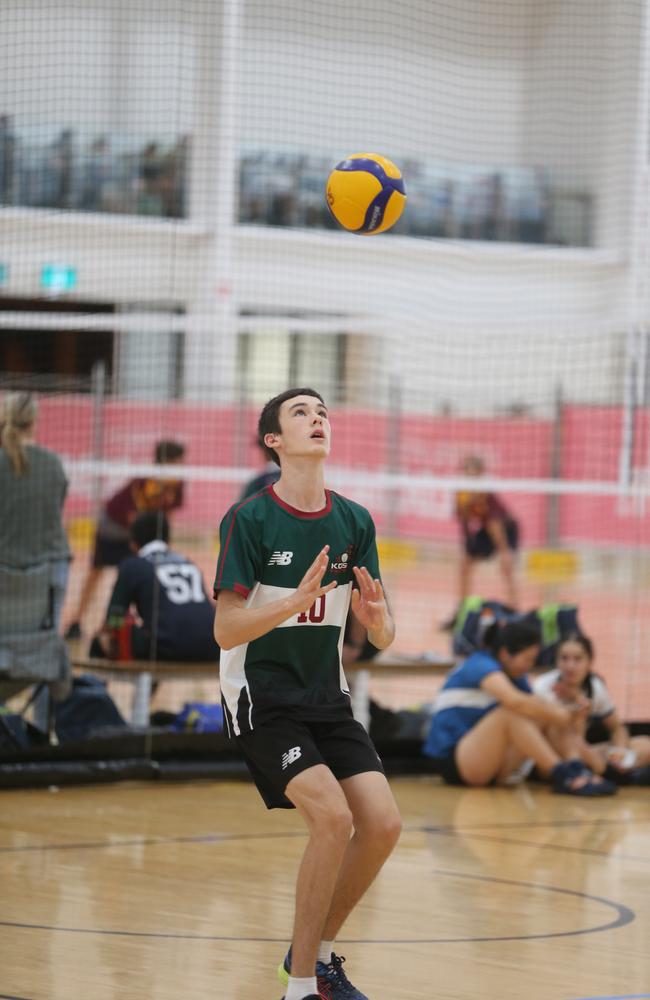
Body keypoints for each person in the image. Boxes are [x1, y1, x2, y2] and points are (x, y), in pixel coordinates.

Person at [213, 387, 401, 1000]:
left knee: (382, 825)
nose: (318, 419)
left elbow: (386, 632)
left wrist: (375, 624)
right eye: (302, 412)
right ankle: (299, 990)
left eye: (323, 412)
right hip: (261, 698)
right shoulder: (249, 519)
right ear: (274, 440)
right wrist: (292, 601)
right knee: (333, 818)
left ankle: (314, 957)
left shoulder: (355, 520)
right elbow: (225, 628)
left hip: (327, 697)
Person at [422, 621, 616, 795]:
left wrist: (572, 711)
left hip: (490, 764)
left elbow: (541, 711)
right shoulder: (480, 664)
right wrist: (561, 713)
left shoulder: (517, 676)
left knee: (543, 713)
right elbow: (515, 701)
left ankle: (576, 767)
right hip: (454, 761)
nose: (530, 665)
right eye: (528, 659)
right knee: (512, 712)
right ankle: (563, 774)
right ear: (506, 654)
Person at [65, 439, 185, 639]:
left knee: (136, 576)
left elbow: (167, 516)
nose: (183, 465)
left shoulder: (178, 482)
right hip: (112, 527)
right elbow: (134, 516)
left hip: (138, 533)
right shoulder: (146, 480)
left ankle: (126, 625)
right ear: (167, 461)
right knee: (96, 573)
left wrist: (163, 543)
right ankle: (77, 622)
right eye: (179, 460)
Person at [90, 512, 218, 663]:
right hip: (212, 648)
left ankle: (94, 686)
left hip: (165, 650)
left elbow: (114, 618)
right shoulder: (189, 564)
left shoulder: (132, 565)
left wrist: (110, 636)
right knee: (155, 631)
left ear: (133, 543)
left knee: (100, 641)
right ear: (168, 540)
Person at [533, 633, 650, 779]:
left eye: (577, 659)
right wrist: (576, 708)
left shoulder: (595, 687)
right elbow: (568, 740)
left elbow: (617, 728)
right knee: (562, 732)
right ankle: (607, 772)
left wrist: (620, 752)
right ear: (556, 661)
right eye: (564, 658)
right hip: (552, 757)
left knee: (645, 745)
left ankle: (608, 769)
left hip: (585, 752)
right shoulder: (543, 687)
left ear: (589, 662)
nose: (570, 666)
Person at [0, 392, 71, 628]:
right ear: (34, 422)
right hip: (50, 568)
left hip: (5, 569)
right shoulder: (53, 463)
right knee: (45, 642)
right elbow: (55, 510)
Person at [441, 454, 519, 629]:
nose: (470, 475)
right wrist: (468, 545)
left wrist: (504, 552)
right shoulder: (461, 492)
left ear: (481, 473)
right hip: (485, 529)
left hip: (506, 528)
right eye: (467, 471)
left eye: (474, 472)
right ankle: (461, 611)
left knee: (506, 568)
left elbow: (494, 525)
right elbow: (464, 521)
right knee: (464, 566)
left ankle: (515, 610)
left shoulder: (486, 492)